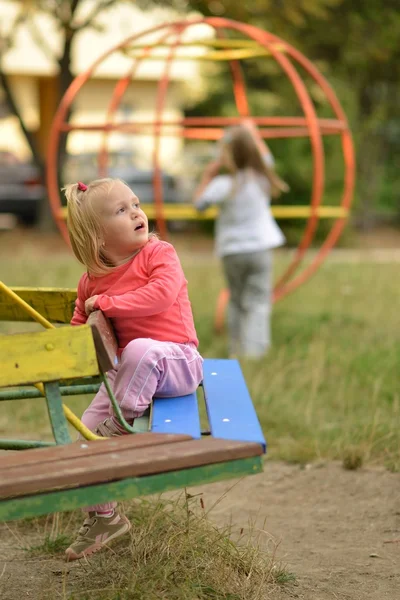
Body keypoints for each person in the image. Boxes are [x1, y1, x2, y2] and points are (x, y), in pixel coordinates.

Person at [63, 178, 203, 561]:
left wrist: (107, 303)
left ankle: (119, 426)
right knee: (82, 437)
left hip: (177, 361)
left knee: (141, 349)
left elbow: (160, 295)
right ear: (99, 239)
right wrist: (73, 346)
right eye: (121, 211)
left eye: (136, 204)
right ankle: (104, 517)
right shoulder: (90, 281)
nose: (137, 213)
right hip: (126, 375)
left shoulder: (160, 254)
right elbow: (81, 327)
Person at [193, 121, 288, 359]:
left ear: (228, 157)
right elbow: (268, 159)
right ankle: (255, 351)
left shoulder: (222, 185)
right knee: (258, 300)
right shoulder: (261, 178)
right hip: (260, 249)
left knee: (236, 299)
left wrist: (206, 177)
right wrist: (253, 133)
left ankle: (237, 350)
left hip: (232, 251)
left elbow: (199, 205)